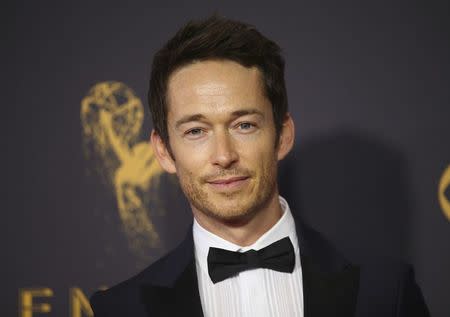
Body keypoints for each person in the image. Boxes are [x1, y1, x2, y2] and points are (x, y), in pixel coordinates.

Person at [89, 15, 430, 317]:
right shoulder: (121, 309)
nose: (223, 155)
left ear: (282, 136)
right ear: (163, 151)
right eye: (196, 131)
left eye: (244, 125)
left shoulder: (385, 292)